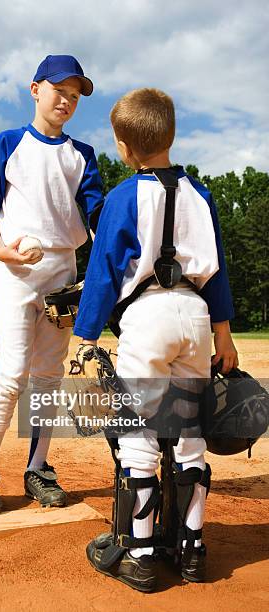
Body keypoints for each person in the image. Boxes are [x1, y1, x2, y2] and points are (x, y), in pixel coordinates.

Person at [72, 88, 238, 591]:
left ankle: (142, 555)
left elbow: (103, 273)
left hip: (148, 317)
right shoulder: (199, 194)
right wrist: (224, 336)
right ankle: (191, 552)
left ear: (124, 146)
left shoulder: (124, 196)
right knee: (189, 436)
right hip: (194, 313)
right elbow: (218, 272)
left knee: (139, 437)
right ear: (171, 135)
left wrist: (85, 335)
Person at [0, 55, 103, 514]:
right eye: (59, 90)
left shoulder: (82, 155)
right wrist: (1, 249)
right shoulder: (6, 143)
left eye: (75, 94)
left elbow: (98, 215)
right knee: (11, 374)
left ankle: (39, 468)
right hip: (16, 275)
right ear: (35, 89)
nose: (67, 100)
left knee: (47, 379)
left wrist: (109, 263)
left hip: (63, 274)